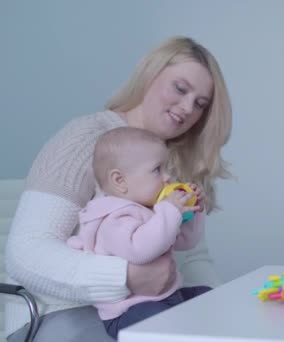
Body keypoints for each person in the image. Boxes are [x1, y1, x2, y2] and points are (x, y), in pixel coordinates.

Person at [5, 36, 232, 342]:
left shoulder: (173, 163)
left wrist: (226, 312)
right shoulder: (87, 139)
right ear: (150, 74)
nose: (187, 107)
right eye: (180, 89)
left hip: (156, 307)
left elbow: (193, 260)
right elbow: (25, 252)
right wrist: (125, 278)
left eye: (200, 104)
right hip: (61, 313)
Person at [66, 126, 211, 339]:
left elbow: (185, 242)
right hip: (129, 312)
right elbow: (140, 250)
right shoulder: (113, 219)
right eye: (157, 170)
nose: (168, 177)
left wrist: (192, 211)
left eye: (166, 168)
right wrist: (170, 211)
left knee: (208, 296)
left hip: (166, 297)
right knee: (164, 327)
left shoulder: (151, 211)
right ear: (120, 181)